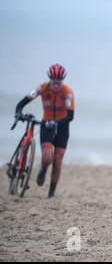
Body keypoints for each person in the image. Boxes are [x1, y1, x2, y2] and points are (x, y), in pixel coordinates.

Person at [15, 64, 75, 198]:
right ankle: (43, 169)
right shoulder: (42, 87)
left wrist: (57, 122)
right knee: (48, 158)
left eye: (59, 82)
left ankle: (51, 193)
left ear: (62, 81)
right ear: (50, 79)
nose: (56, 85)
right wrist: (18, 110)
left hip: (62, 126)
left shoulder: (67, 92)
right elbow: (25, 100)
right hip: (46, 124)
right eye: (54, 82)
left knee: (57, 162)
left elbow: (71, 116)